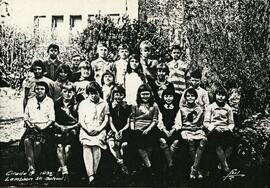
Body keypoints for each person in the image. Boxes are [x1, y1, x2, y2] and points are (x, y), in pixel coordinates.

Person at [78, 81, 109, 184]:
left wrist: (99, 129)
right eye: (91, 93)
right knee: (86, 147)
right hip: (86, 129)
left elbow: (106, 119)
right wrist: (87, 129)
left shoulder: (104, 103)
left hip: (99, 129)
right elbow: (81, 120)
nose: (94, 96)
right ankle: (90, 175)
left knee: (96, 147)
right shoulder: (83, 103)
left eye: (96, 93)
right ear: (88, 93)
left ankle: (94, 173)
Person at [22, 81, 55, 176]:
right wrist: (29, 124)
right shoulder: (31, 101)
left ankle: (33, 164)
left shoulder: (49, 101)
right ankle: (31, 167)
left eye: (42, 89)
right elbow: (26, 116)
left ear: (46, 91)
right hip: (32, 126)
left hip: (45, 127)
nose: (39, 91)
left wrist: (43, 127)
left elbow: (52, 119)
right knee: (27, 141)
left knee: (37, 143)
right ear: (34, 90)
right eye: (37, 89)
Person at [129, 84, 159, 174]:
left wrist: (148, 129)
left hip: (150, 128)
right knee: (138, 144)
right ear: (139, 95)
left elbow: (155, 120)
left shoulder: (154, 105)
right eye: (143, 94)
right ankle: (148, 165)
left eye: (147, 94)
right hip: (137, 129)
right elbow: (132, 119)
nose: (145, 96)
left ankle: (143, 164)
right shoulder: (135, 105)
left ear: (150, 94)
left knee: (149, 144)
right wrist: (133, 130)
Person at [204, 86, 235, 173]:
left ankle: (221, 165)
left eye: (223, 95)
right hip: (214, 131)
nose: (220, 97)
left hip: (225, 130)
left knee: (231, 145)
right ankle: (226, 167)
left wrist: (228, 128)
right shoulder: (210, 107)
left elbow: (231, 123)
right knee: (218, 145)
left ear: (226, 97)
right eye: (218, 95)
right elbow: (206, 122)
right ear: (215, 96)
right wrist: (214, 128)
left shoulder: (228, 108)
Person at [54, 82, 79, 181]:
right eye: (65, 91)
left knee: (68, 148)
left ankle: (61, 167)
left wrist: (70, 115)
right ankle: (64, 170)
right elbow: (52, 119)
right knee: (60, 147)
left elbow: (79, 122)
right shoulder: (56, 103)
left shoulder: (76, 105)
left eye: (70, 92)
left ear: (73, 93)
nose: (67, 94)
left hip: (72, 129)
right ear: (61, 92)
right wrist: (60, 127)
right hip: (59, 129)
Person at [179, 88, 207, 179]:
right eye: (188, 96)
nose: (190, 97)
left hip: (197, 130)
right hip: (186, 130)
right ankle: (197, 170)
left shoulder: (200, 109)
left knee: (203, 140)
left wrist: (200, 127)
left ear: (195, 97)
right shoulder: (182, 109)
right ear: (185, 98)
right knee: (190, 140)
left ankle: (194, 168)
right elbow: (178, 122)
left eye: (192, 96)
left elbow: (203, 123)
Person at [107, 85, 132, 174]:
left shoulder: (127, 106)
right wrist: (115, 131)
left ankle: (118, 165)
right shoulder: (109, 106)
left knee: (124, 145)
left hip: (124, 130)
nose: (118, 97)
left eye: (121, 94)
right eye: (116, 94)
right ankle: (122, 165)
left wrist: (121, 131)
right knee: (112, 144)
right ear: (113, 95)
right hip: (113, 130)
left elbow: (128, 123)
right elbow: (110, 122)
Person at [157, 87, 181, 172]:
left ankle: (168, 162)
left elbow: (178, 121)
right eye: (166, 96)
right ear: (163, 97)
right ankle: (171, 164)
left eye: (170, 96)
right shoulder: (160, 107)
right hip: (163, 130)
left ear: (173, 97)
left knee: (176, 142)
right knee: (162, 140)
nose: (168, 98)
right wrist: (164, 130)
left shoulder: (177, 108)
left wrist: (173, 130)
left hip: (173, 130)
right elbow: (159, 121)